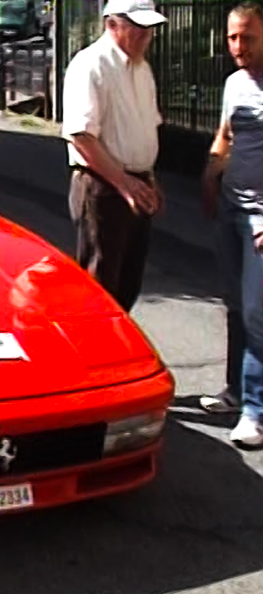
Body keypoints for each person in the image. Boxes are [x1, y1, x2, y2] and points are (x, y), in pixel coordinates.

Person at [61, 0, 167, 313]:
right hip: (102, 185)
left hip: (134, 182)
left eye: (149, 29)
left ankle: (116, 355)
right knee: (101, 286)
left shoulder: (142, 68)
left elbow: (145, 128)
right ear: (112, 24)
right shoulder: (91, 64)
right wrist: (123, 182)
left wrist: (149, 180)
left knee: (127, 284)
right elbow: (80, 135)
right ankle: (96, 358)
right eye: (137, 27)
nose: (144, 35)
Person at [198, 2, 263, 447]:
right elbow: (226, 134)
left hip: (260, 217)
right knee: (236, 305)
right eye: (233, 37)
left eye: (249, 38)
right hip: (230, 207)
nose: (238, 46)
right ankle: (236, 392)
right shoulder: (234, 83)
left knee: (258, 310)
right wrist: (209, 176)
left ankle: (256, 412)